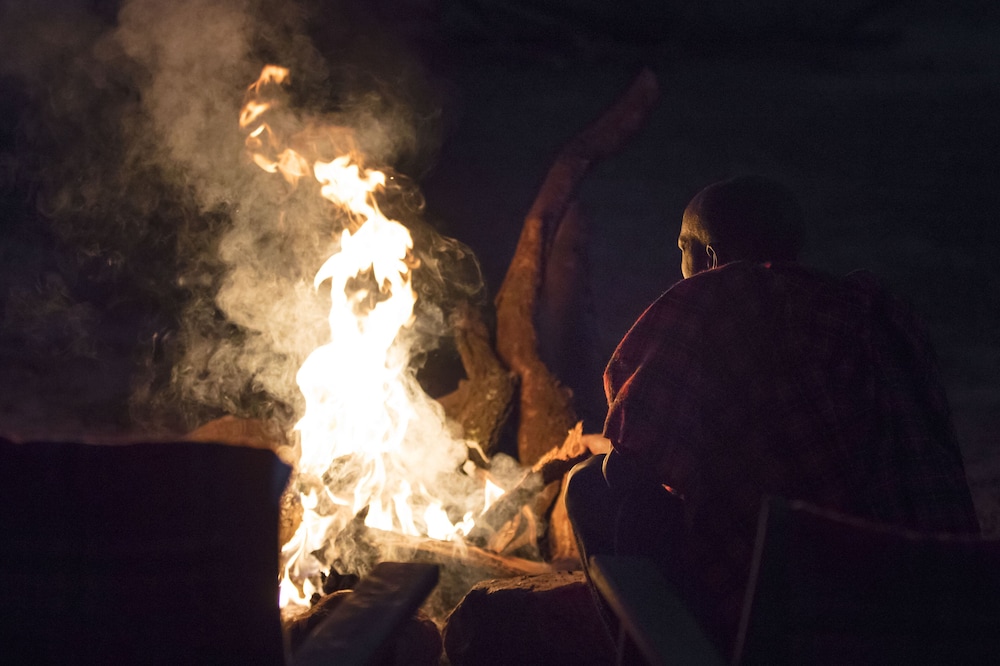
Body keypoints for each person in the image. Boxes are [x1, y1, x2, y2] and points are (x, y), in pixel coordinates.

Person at [566, 175, 981, 657]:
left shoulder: (712, 299)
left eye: (681, 248)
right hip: (934, 601)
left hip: (795, 612)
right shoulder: (872, 310)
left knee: (592, 487)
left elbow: (626, 468)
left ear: (710, 257)